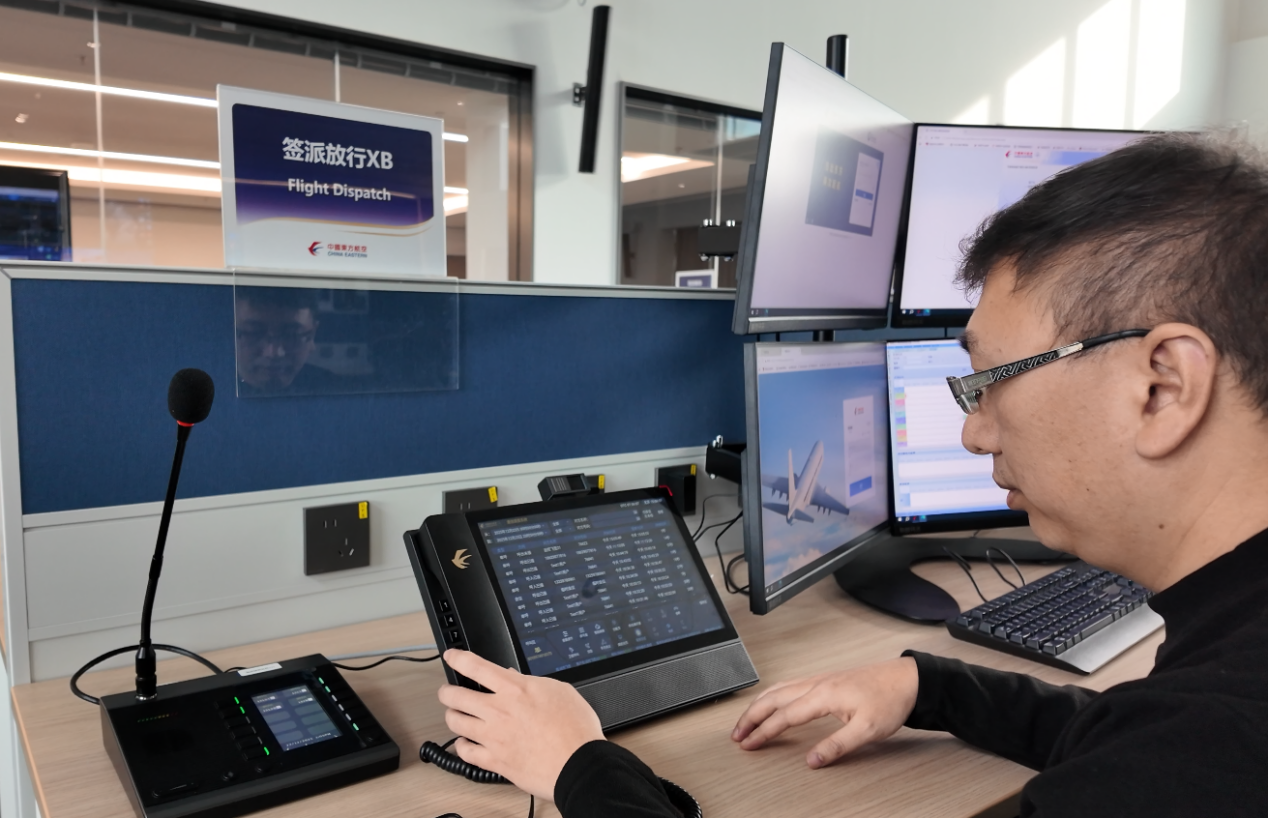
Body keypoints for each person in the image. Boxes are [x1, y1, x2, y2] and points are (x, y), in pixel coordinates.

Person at [437, 130, 1268, 816]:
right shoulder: (1215, 686)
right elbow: (1127, 734)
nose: (974, 432)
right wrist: (931, 685)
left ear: (1163, 387)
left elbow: (1161, 758)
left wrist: (577, 765)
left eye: (990, 379)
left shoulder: (1207, 750)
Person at [234, 287, 343, 395]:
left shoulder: (335, 390)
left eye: (292, 335)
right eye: (253, 333)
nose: (274, 353)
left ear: (313, 335)